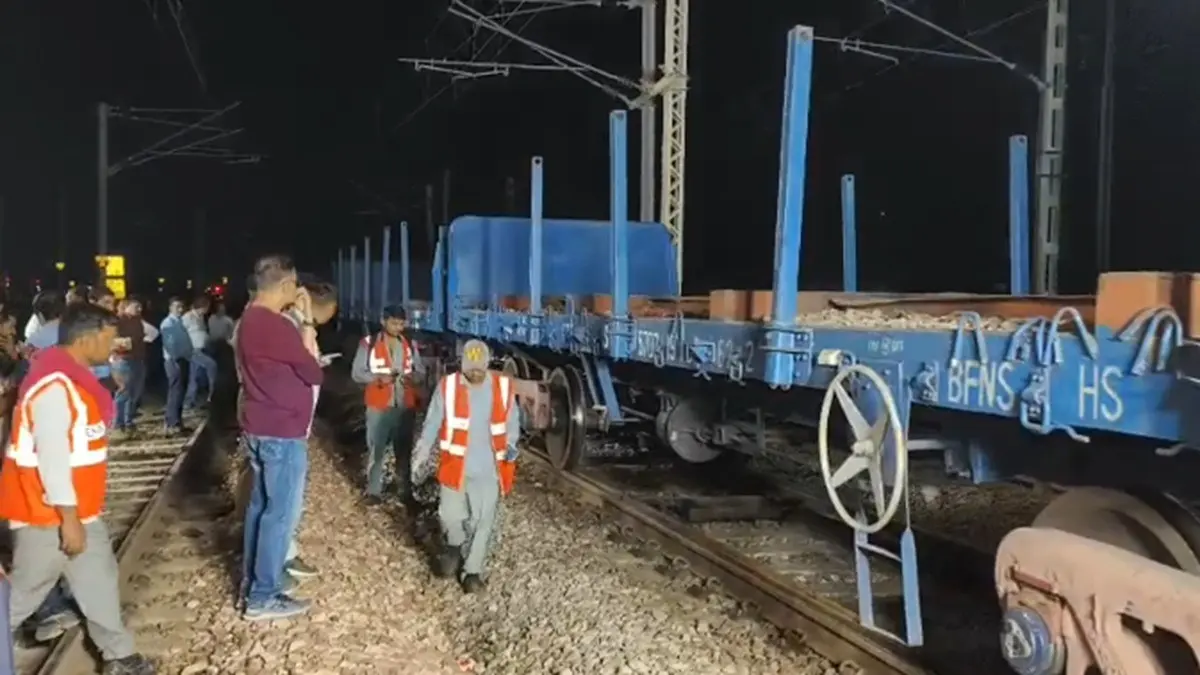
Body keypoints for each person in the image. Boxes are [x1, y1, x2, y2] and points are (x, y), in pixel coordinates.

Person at [0, 303, 155, 674]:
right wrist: (68, 519)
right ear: (87, 339)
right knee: (24, 594)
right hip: (47, 515)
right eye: (108, 336)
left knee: (97, 578)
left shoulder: (74, 379)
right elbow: (52, 458)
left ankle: (118, 654)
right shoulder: (55, 388)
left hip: (77, 511)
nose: (114, 343)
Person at [236, 255, 323, 620]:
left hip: (260, 425)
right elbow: (313, 371)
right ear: (286, 286)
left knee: (260, 509)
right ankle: (263, 596)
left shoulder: (248, 320)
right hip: (282, 432)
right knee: (279, 516)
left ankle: (252, 584)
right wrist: (305, 318)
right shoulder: (274, 325)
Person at [411, 339, 519, 593]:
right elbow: (432, 422)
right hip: (455, 466)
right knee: (449, 516)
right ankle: (454, 545)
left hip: (489, 468)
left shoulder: (503, 388)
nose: (475, 373)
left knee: (483, 521)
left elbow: (512, 423)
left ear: (487, 364)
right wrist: (422, 451)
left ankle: (472, 572)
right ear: (461, 365)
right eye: (470, 369)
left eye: (479, 369)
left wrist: (512, 447)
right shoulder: (448, 387)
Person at [351, 305, 423, 505]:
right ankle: (374, 492)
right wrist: (378, 378)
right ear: (383, 321)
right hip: (379, 405)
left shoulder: (409, 344)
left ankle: (405, 492)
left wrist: (414, 378)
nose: (398, 327)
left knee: (404, 451)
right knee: (376, 450)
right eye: (394, 323)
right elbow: (357, 373)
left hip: (404, 405)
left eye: (401, 323)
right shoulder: (368, 344)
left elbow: (420, 371)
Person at [111, 299, 147, 437]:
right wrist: (129, 342)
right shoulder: (117, 320)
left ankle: (129, 422)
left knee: (135, 392)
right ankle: (118, 424)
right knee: (123, 392)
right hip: (123, 360)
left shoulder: (138, 320)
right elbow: (112, 340)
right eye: (136, 306)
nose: (139, 309)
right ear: (126, 307)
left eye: (140, 307)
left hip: (138, 358)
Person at [159, 298, 193, 436]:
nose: (180, 309)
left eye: (181, 307)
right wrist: (176, 358)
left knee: (180, 391)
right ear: (170, 307)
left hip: (182, 359)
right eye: (177, 307)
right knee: (175, 392)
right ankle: (172, 422)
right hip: (174, 361)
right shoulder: (167, 323)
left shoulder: (178, 322)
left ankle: (177, 421)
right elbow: (169, 343)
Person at [182, 296, 216, 410]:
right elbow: (183, 332)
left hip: (202, 349)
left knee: (194, 377)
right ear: (202, 307)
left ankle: (189, 401)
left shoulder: (201, 317)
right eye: (207, 307)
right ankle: (212, 396)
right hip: (194, 350)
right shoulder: (188, 317)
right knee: (212, 365)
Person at [87, 287, 119, 396]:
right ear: (92, 302)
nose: (111, 307)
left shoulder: (108, 322)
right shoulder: (82, 323)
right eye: (106, 303)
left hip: (106, 373)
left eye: (112, 303)